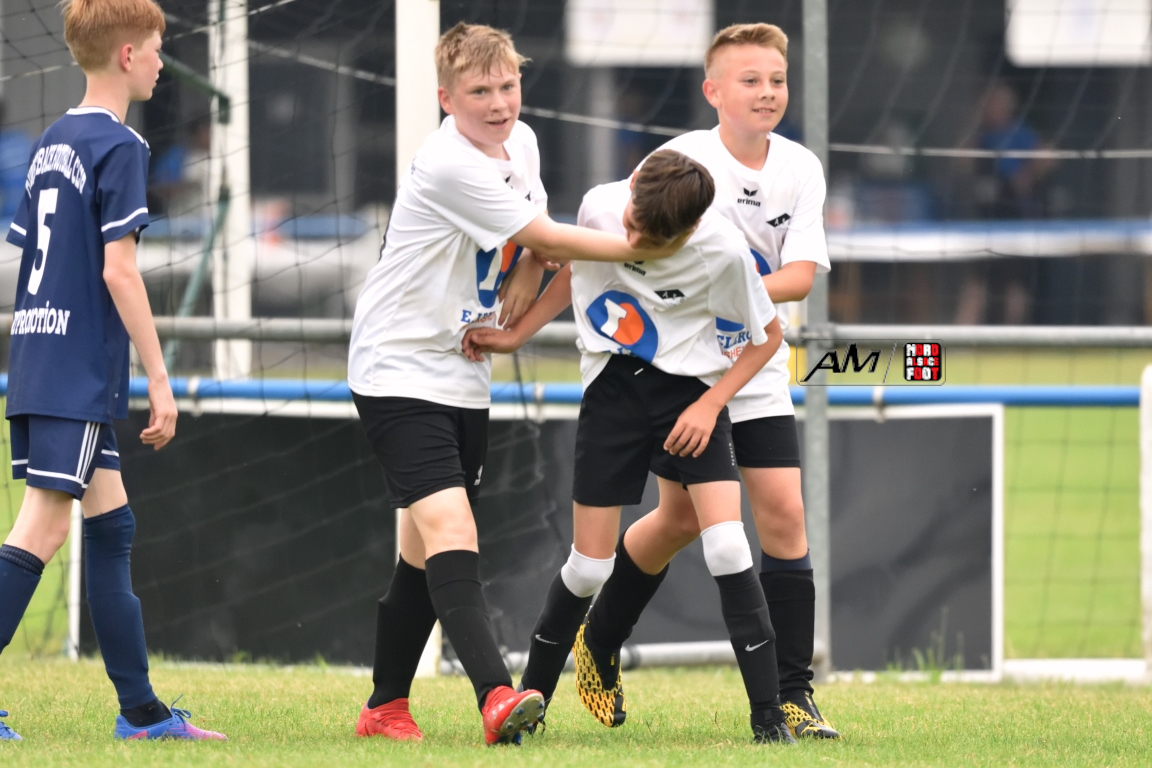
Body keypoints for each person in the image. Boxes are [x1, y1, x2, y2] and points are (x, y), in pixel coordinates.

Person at [347, 22, 688, 746]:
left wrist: (530, 267)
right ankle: (497, 696)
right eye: (480, 91)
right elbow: (553, 237)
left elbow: (537, 237)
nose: (499, 103)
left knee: (422, 551)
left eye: (508, 86)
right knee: (452, 530)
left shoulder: (521, 142)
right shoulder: (448, 163)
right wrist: (644, 245)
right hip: (398, 364)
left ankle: (384, 708)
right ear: (446, 99)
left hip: (463, 365)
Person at [529, 22, 841, 740]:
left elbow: (797, 278)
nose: (767, 92)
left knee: (783, 514)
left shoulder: (800, 168)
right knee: (678, 520)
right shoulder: (677, 163)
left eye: (777, 80)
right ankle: (600, 639)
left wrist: (724, 285)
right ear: (713, 92)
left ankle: (794, 697)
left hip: (750, 367)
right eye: (750, 80)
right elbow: (604, 252)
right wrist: (524, 322)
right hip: (681, 370)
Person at [464, 148, 793, 744]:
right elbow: (577, 270)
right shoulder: (600, 206)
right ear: (634, 184)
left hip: (690, 397)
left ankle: (770, 720)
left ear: (693, 227)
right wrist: (516, 335)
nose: (634, 241)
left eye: (653, 240)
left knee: (725, 544)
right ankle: (525, 711)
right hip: (612, 393)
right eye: (633, 225)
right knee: (589, 567)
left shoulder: (722, 248)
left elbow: (767, 337)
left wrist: (711, 404)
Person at [0, 0, 225, 742]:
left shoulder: (50, 141)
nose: (162, 62)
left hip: (40, 354)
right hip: (76, 368)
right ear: (128, 55)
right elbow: (119, 271)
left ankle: (141, 712)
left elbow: (34, 253)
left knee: (111, 523)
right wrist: (159, 377)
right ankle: (141, 711)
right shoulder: (121, 144)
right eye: (157, 48)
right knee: (41, 528)